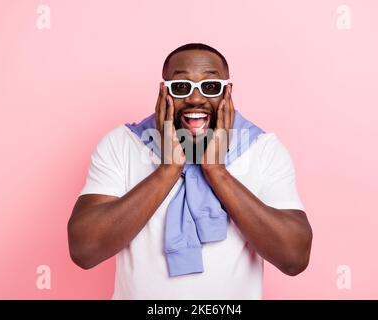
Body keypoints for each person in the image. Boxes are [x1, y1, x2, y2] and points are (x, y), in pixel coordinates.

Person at [67, 43, 313, 299]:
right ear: (164, 92)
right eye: (181, 87)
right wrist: (169, 169)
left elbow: (294, 258)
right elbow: (85, 250)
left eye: (210, 86)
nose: (196, 99)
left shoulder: (262, 149)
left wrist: (216, 171)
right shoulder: (123, 144)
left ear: (227, 92)